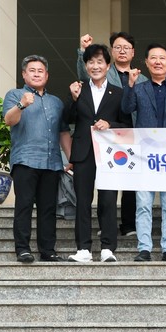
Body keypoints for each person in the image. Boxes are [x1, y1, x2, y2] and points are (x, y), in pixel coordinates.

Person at [121, 43, 166, 262]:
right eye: (153, 58)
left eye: (162, 58)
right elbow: (126, 108)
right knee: (143, 204)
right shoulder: (139, 88)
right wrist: (130, 84)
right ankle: (144, 248)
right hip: (144, 155)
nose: (158, 62)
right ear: (146, 62)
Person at [3, 55, 72, 263]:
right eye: (31, 70)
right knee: (24, 205)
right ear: (24, 74)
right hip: (25, 160)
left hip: (51, 162)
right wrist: (21, 105)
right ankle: (23, 249)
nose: (36, 74)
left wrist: (72, 158)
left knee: (48, 208)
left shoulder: (56, 102)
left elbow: (63, 132)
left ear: (47, 75)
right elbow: (8, 120)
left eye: (40, 71)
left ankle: (48, 250)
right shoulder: (15, 95)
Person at [67, 44, 132, 263]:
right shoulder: (78, 89)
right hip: (83, 152)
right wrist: (73, 98)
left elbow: (127, 124)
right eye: (91, 62)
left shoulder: (118, 92)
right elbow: (67, 119)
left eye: (100, 62)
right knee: (83, 201)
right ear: (86, 66)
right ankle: (83, 249)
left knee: (108, 201)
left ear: (108, 65)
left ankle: (107, 248)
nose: (95, 66)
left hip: (109, 154)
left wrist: (110, 124)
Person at [78, 32, 147, 237]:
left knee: (131, 181)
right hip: (105, 138)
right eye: (118, 47)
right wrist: (83, 51)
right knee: (106, 184)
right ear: (112, 52)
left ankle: (129, 224)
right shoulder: (104, 73)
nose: (122, 51)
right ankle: (105, 225)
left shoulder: (142, 78)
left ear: (133, 52)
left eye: (126, 47)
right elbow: (84, 77)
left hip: (133, 134)